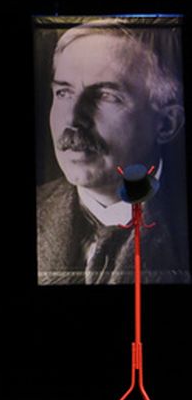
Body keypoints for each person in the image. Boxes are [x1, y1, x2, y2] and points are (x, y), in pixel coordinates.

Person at [37, 19, 190, 284]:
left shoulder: (180, 226)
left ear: (166, 124)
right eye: (63, 92)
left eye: (106, 96)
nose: (72, 120)